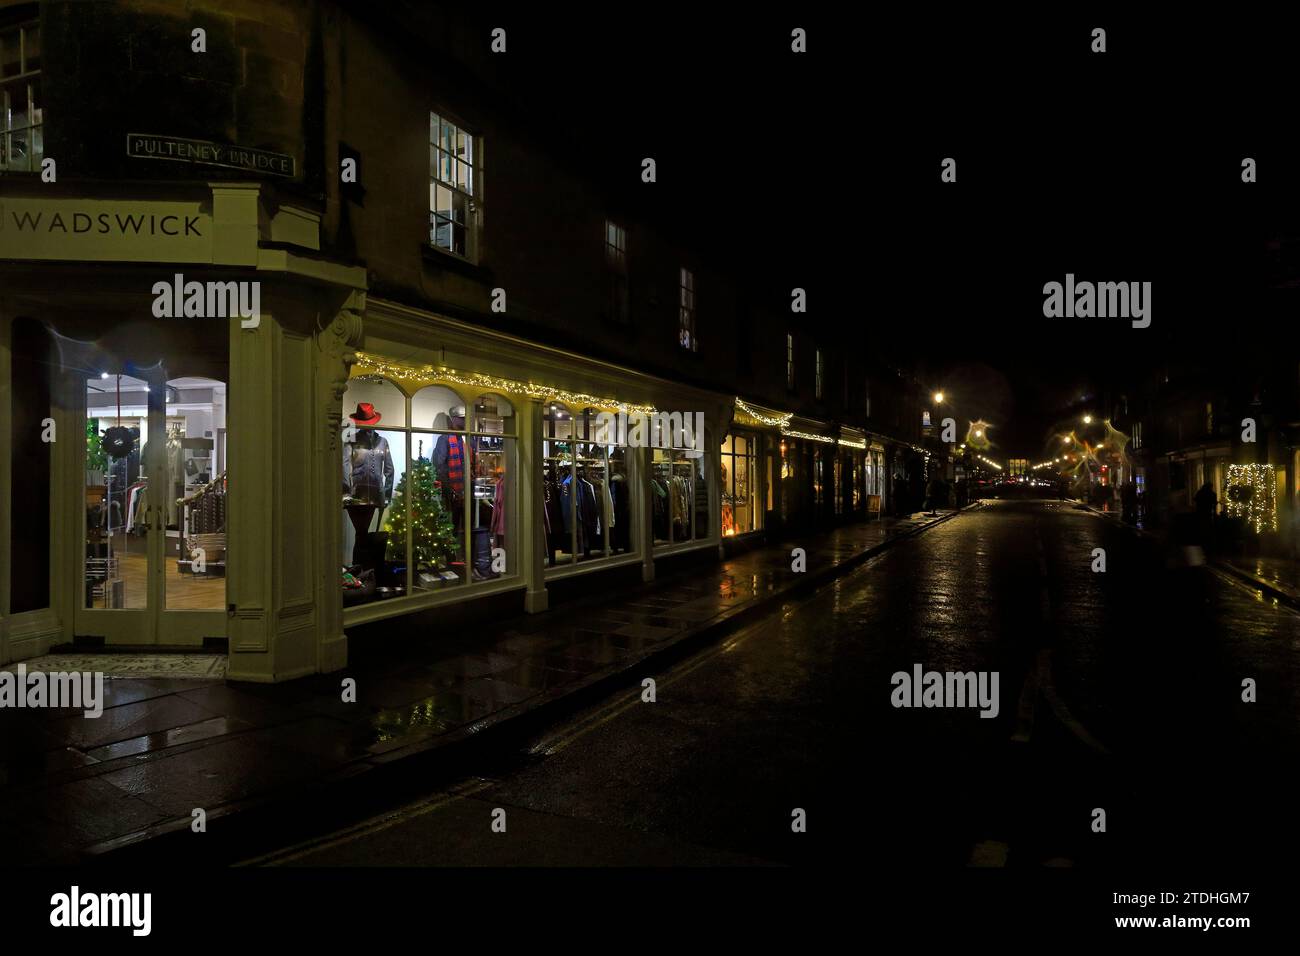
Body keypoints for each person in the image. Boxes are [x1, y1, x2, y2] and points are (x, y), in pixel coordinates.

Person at [1194, 481, 1217, 546]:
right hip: (1207, 512)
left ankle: (1202, 540)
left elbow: (1196, 500)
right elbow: (1214, 504)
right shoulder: (1212, 494)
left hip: (1200, 512)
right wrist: (1214, 513)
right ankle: (1208, 541)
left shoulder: (1200, 493)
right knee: (1208, 526)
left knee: (1201, 527)